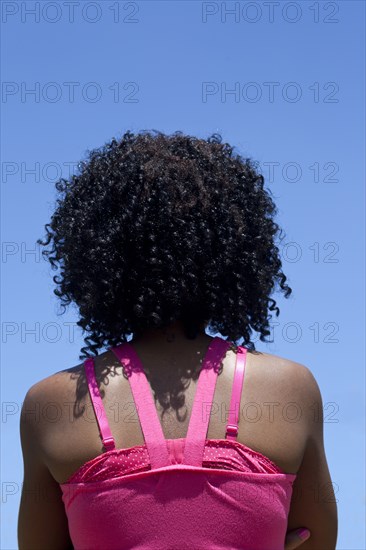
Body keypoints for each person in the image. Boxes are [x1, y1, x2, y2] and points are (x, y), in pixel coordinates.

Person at [18, 130, 337, 549]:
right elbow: (314, 539)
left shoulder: (53, 404)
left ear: (97, 257)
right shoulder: (290, 388)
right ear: (236, 252)